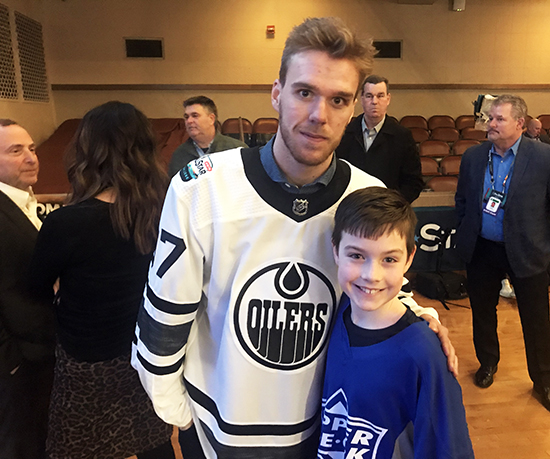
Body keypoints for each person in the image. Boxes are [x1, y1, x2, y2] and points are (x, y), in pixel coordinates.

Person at [133, 17, 456, 459]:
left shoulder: (366, 192)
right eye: (305, 92)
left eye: (338, 100)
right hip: (221, 427)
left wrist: (418, 316)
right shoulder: (200, 189)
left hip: (322, 424)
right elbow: (165, 312)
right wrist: (177, 412)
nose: (319, 114)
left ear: (353, 108)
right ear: (276, 93)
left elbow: (379, 281)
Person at [29, 102, 176, 459]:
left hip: (87, 361)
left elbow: (35, 286)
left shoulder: (67, 223)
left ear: (88, 150)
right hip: (149, 352)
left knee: (77, 447)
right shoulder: (170, 208)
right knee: (155, 442)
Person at [319, 187, 474, 459]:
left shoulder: (424, 354)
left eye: (389, 259)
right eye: (356, 255)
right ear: (336, 251)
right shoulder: (337, 312)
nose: (371, 275)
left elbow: (448, 448)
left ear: (409, 258)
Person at [455, 94, 550, 411]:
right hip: (482, 248)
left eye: (498, 119)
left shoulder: (544, 158)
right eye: (489, 118)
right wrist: (466, 228)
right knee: (482, 312)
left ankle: (544, 380)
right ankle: (487, 363)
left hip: (527, 250)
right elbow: (462, 201)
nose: (490, 124)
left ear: (520, 124)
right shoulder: (472, 156)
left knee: (536, 320)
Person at [0, 119, 55, 459]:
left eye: (32, 148)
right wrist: (9, 361)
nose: (31, 158)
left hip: (38, 353)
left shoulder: (23, 203)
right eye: (15, 151)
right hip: (16, 363)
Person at [336, 75, 423, 203]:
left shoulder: (402, 136)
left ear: (388, 99)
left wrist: (392, 205)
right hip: (350, 210)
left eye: (380, 96)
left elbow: (413, 182)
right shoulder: (344, 132)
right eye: (369, 96)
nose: (374, 101)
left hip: (387, 213)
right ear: (361, 99)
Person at [167, 95, 248, 176]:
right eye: (186, 117)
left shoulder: (236, 150)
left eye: (195, 116)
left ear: (211, 119)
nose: (189, 121)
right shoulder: (179, 155)